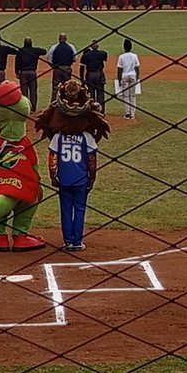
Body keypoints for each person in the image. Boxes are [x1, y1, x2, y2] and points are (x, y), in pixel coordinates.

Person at [48, 98, 101, 252]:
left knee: (65, 209)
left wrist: (53, 176)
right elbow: (92, 161)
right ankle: (77, 241)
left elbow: (52, 159)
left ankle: (68, 241)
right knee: (79, 209)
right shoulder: (87, 137)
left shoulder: (58, 136)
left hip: (64, 179)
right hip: (81, 179)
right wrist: (91, 179)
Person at [14, 37, 47, 111]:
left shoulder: (20, 51)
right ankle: (33, 107)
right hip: (32, 72)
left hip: (23, 73)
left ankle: (25, 107)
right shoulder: (35, 51)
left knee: (24, 91)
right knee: (33, 91)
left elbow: (17, 63)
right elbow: (44, 51)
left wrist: (17, 72)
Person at [79, 39, 108, 114]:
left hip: (90, 75)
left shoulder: (86, 55)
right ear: (98, 46)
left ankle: (92, 111)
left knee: (91, 93)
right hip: (99, 74)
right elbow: (105, 57)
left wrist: (82, 80)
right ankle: (101, 111)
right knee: (100, 93)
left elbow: (82, 68)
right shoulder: (102, 53)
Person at [115, 39, 141, 119]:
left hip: (124, 76)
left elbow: (119, 69)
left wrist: (119, 80)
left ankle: (127, 113)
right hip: (133, 75)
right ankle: (132, 114)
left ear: (124, 47)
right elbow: (137, 67)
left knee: (126, 96)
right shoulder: (134, 56)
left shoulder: (121, 56)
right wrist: (137, 78)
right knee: (132, 95)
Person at [48, 33, 77, 103]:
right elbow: (75, 59)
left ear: (59, 39)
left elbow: (49, 59)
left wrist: (53, 66)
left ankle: (54, 103)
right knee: (67, 87)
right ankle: (67, 102)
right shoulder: (71, 47)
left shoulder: (54, 47)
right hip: (67, 68)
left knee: (55, 87)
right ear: (66, 39)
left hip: (57, 69)